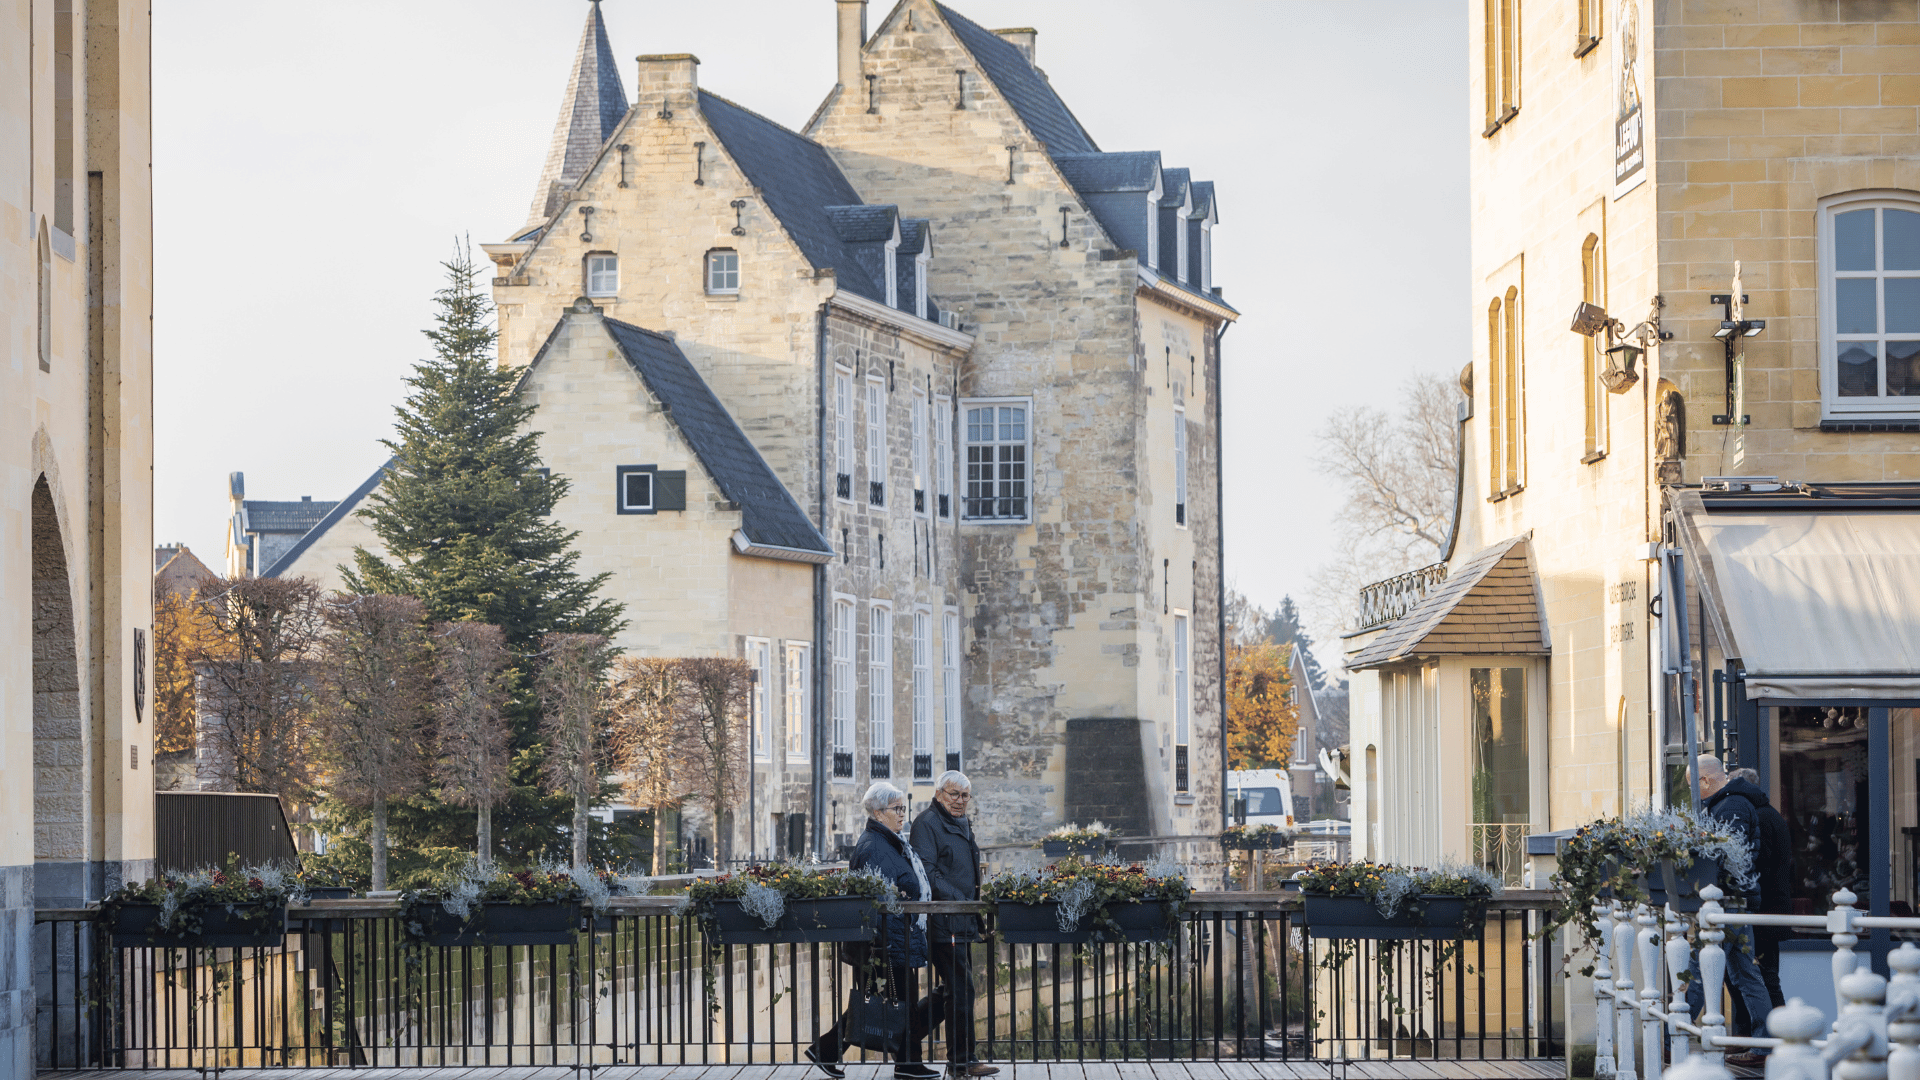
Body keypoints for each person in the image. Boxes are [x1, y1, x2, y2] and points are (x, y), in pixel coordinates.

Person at [807, 782, 941, 1080]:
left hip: (892, 939)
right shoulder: (875, 847)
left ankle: (829, 1050)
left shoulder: (887, 843)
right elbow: (881, 900)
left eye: (903, 808)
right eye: (897, 809)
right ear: (879, 813)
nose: (902, 814)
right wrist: (888, 946)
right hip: (886, 942)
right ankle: (907, 1064)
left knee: (886, 1003)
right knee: (889, 1003)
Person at [1685, 755, 1775, 1068]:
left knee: (1698, 968)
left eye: (1692, 786)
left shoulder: (1732, 806)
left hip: (1728, 902)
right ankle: (1763, 1044)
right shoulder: (1730, 804)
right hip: (1735, 901)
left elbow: (1726, 855)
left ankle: (1673, 1038)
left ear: (1705, 781)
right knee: (1745, 974)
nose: (1694, 794)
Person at [911, 772, 999, 1079]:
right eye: (954, 794)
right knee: (962, 989)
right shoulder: (927, 824)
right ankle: (962, 1061)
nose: (959, 801)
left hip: (960, 917)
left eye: (965, 796)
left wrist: (971, 908)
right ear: (939, 793)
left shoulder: (960, 822)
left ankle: (903, 1041)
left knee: (951, 990)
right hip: (943, 919)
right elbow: (928, 873)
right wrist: (961, 900)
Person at [1728, 767, 1792, 1047]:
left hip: (1764, 909)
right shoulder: (1771, 815)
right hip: (1772, 907)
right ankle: (1776, 1037)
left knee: (1761, 976)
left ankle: (1770, 1039)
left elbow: (1756, 866)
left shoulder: (1760, 818)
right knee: (1764, 975)